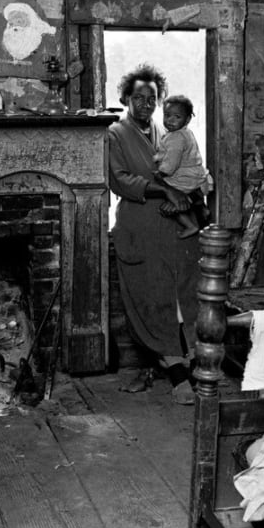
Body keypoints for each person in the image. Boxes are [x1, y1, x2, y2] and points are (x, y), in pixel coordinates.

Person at [107, 64, 204, 405]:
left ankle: (191, 362)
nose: (146, 103)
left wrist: (190, 193)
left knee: (182, 297)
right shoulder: (115, 134)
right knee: (153, 299)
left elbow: (186, 169)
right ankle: (177, 374)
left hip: (173, 226)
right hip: (139, 225)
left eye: (152, 98)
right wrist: (164, 192)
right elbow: (119, 179)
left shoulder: (169, 132)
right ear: (125, 99)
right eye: (138, 97)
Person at [154, 94, 211, 239]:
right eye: (167, 115)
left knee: (171, 201)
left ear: (187, 119)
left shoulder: (176, 138)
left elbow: (172, 161)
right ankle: (201, 209)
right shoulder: (186, 133)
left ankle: (190, 225)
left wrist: (162, 172)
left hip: (185, 178)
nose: (170, 120)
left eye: (176, 117)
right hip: (196, 175)